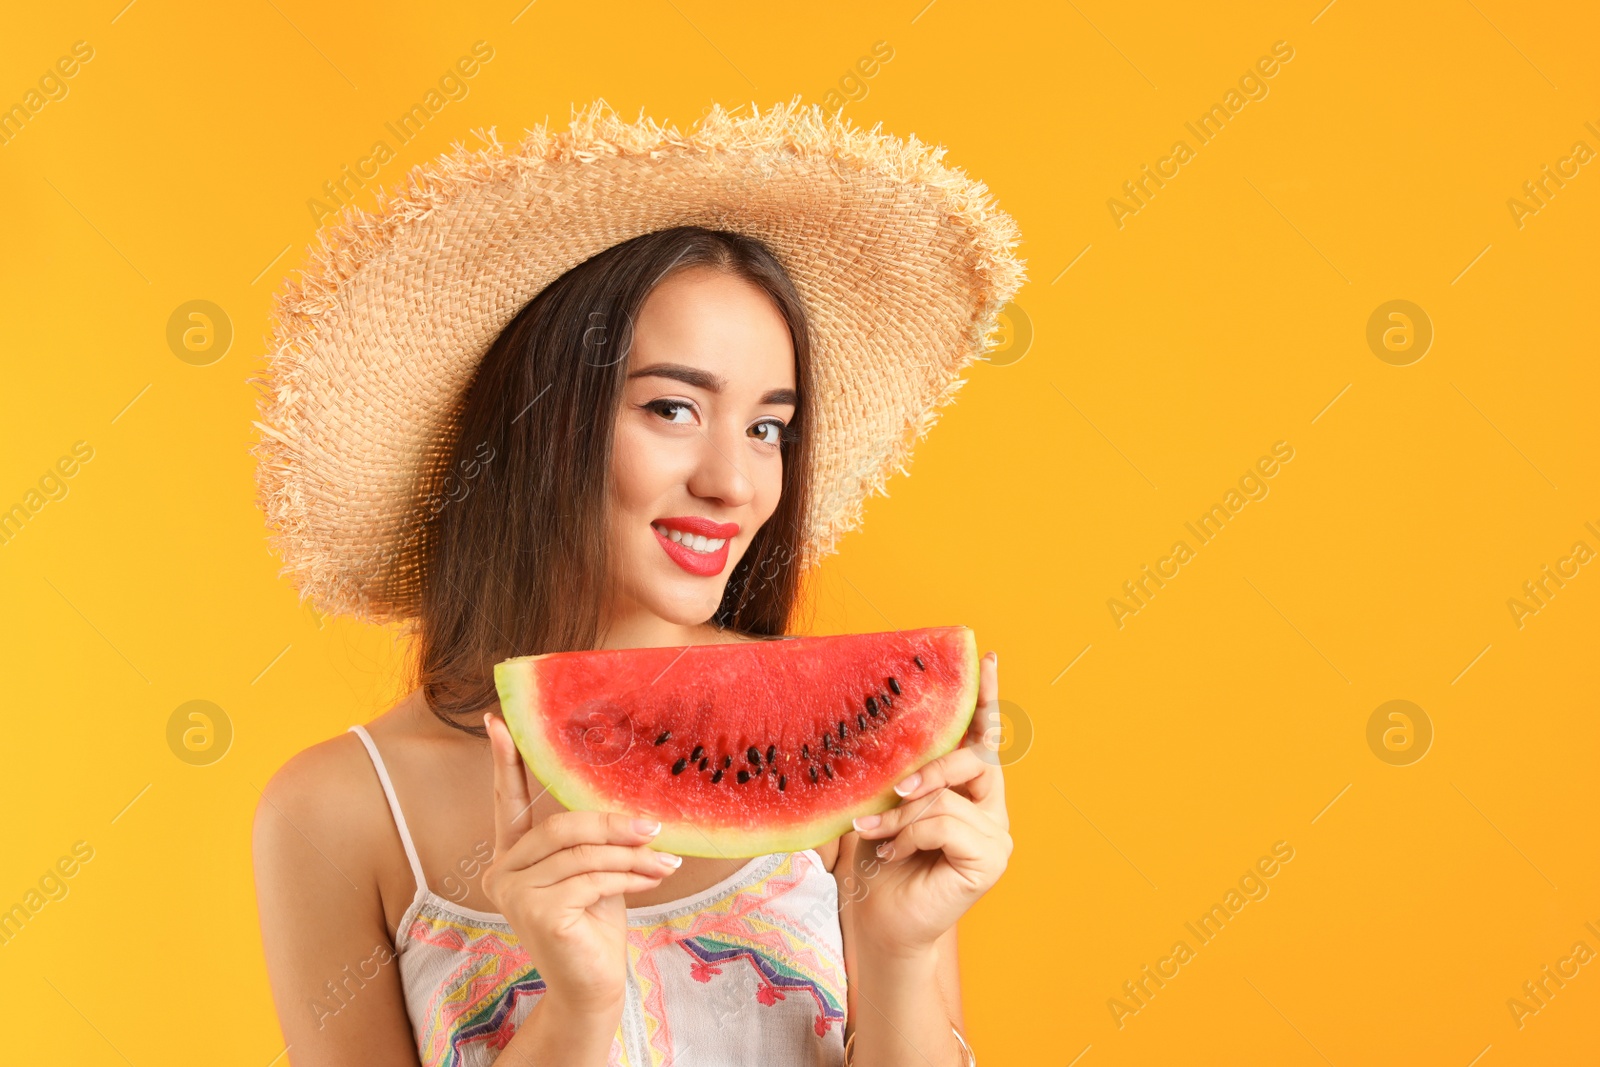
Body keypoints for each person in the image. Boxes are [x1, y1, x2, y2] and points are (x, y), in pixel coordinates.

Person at [250, 99, 1026, 1067]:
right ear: (537, 423)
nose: (733, 482)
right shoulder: (337, 812)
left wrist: (899, 949)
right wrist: (573, 1009)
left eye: (767, 427)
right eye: (670, 407)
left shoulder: (838, 747)